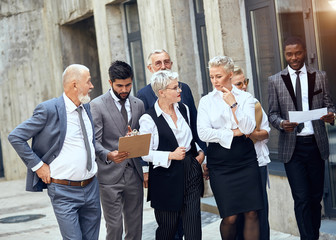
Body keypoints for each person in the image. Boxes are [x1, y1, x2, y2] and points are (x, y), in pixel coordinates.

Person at [8, 64, 101, 240]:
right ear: (75, 85)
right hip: (63, 191)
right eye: (88, 81)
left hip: (91, 188)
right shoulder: (48, 109)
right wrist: (38, 165)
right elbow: (16, 136)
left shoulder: (86, 108)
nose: (92, 86)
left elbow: (90, 144)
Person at [268, 36, 336, 240]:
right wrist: (281, 124)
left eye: (297, 53)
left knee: (315, 199)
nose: (294, 57)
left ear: (304, 51)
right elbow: (272, 114)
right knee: (302, 199)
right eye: (289, 54)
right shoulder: (275, 80)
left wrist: (330, 115)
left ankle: (313, 235)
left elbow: (329, 104)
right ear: (285, 55)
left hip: (316, 145)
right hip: (292, 148)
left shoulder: (320, 76)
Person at [198, 56, 262, 240]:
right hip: (220, 164)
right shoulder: (206, 101)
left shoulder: (246, 98)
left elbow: (249, 128)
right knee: (230, 217)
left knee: (251, 213)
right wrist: (233, 132)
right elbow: (203, 133)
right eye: (211, 76)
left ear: (230, 75)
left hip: (245, 160)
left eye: (219, 76)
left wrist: (234, 104)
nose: (214, 81)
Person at [139, 70, 204, 240]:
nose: (180, 90)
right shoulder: (148, 118)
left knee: (193, 226)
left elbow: (190, 137)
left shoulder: (184, 109)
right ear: (161, 92)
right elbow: (144, 153)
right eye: (175, 87)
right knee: (168, 228)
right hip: (165, 178)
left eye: (179, 86)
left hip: (191, 171)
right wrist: (170, 155)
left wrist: (200, 152)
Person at [90, 60, 144, 240]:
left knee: (135, 227)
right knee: (114, 228)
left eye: (128, 85)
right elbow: (94, 141)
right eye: (119, 85)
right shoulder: (97, 105)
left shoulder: (138, 104)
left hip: (133, 173)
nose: (124, 90)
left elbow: (143, 137)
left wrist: (135, 138)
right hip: (109, 175)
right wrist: (108, 155)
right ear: (110, 82)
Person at [232, 67, 271, 240]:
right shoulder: (222, 107)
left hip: (257, 163)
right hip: (234, 167)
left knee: (260, 212)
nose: (243, 86)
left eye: (244, 82)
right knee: (238, 215)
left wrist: (250, 133)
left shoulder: (254, 104)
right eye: (238, 83)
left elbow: (266, 133)